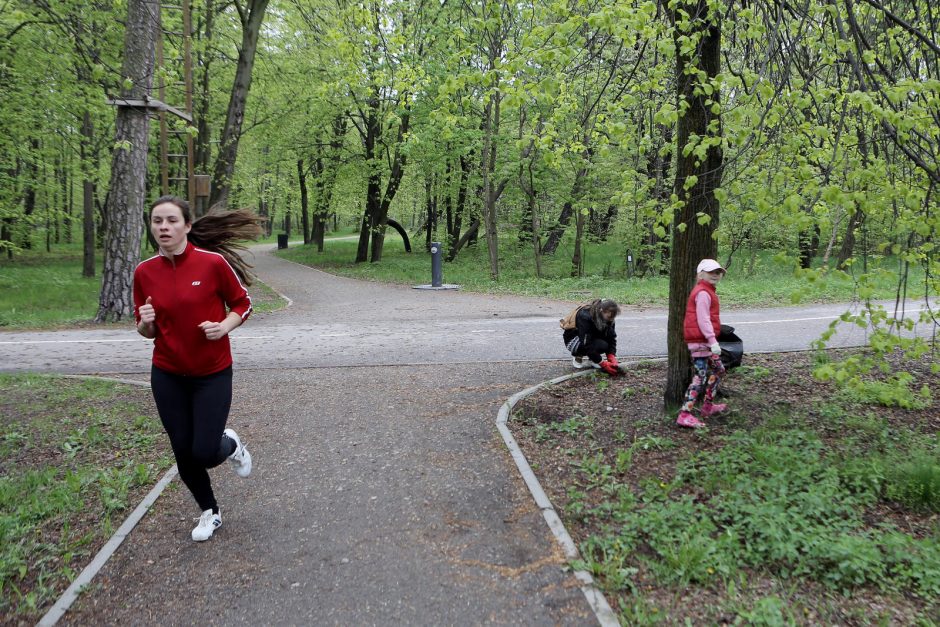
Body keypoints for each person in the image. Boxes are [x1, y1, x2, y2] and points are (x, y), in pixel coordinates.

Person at [134, 195, 264, 541]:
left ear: (187, 226)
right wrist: (145, 323)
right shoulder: (144, 272)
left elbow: (242, 303)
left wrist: (224, 326)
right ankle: (210, 511)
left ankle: (230, 444)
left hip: (212, 373)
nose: (164, 227)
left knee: (204, 452)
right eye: (157, 220)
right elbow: (146, 331)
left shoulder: (212, 264)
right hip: (167, 374)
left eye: (172, 220)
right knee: (183, 453)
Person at [677, 259, 728, 428]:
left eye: (718, 272)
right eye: (711, 271)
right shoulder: (703, 293)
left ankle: (707, 406)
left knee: (719, 370)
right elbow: (703, 319)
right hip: (700, 342)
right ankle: (685, 414)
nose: (715, 274)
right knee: (700, 377)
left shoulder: (708, 291)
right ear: (700, 275)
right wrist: (713, 341)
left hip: (705, 342)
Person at [561, 299, 621, 375]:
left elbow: (611, 337)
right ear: (601, 311)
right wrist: (602, 363)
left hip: (590, 338)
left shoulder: (609, 318)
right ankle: (578, 356)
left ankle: (593, 359)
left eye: (613, 317)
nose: (611, 320)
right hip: (574, 340)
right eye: (609, 317)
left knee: (605, 344)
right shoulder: (585, 316)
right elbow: (586, 344)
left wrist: (611, 355)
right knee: (601, 345)